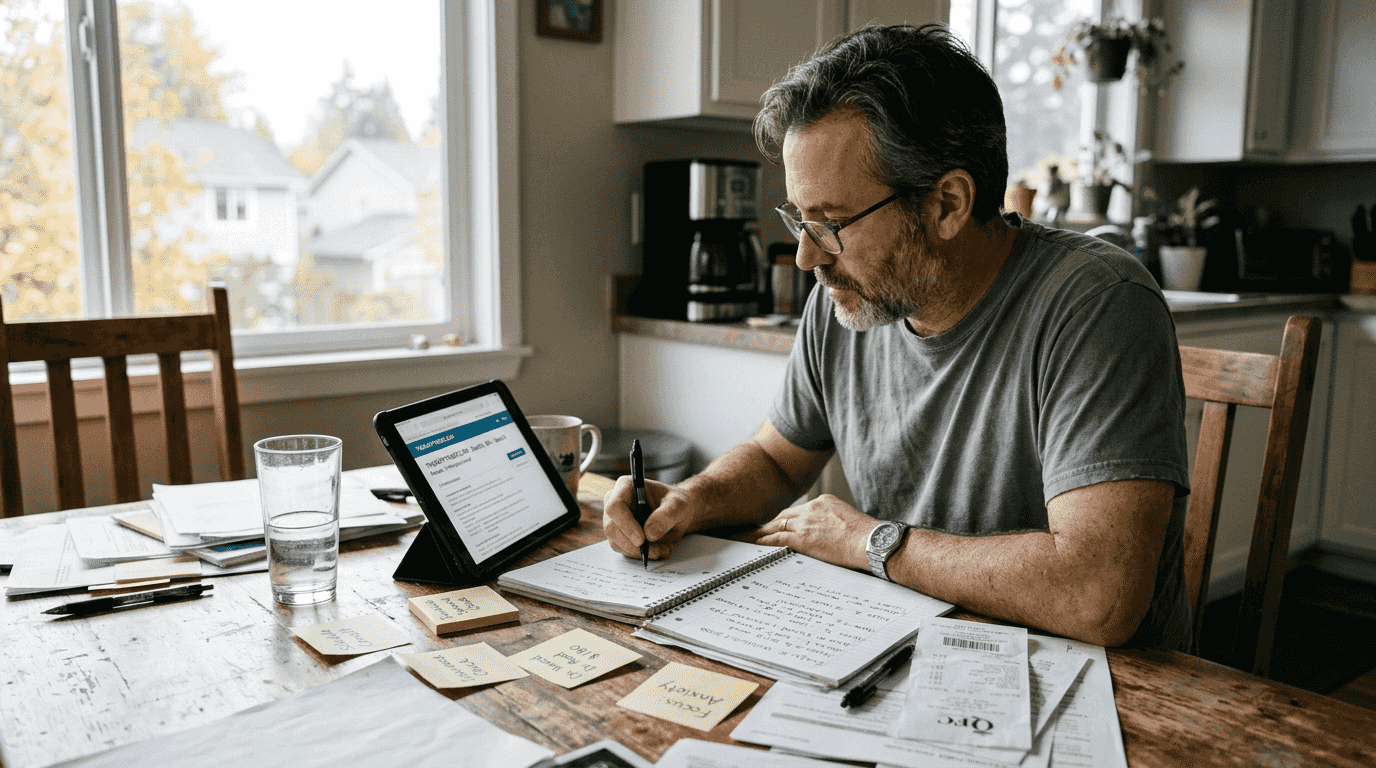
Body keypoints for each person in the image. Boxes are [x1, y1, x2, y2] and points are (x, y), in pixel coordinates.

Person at [604, 24, 1191, 650]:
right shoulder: (847, 300)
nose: (805, 257)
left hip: (1102, 685)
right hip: (906, 641)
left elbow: (1095, 594)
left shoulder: (1097, 303)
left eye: (831, 223)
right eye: (799, 220)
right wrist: (693, 499)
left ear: (946, 204)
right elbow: (779, 458)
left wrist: (868, 540)